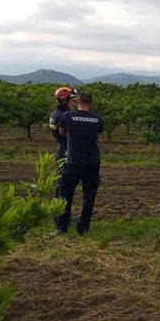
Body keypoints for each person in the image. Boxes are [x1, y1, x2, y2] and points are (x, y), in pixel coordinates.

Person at [53, 91, 102, 236]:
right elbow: (97, 133)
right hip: (93, 161)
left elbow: (62, 132)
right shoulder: (98, 119)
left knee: (65, 193)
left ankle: (61, 228)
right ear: (91, 103)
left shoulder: (67, 116)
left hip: (74, 161)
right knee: (89, 196)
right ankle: (83, 228)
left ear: (77, 102)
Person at [49, 86, 73, 165]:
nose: (72, 103)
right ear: (64, 101)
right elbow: (65, 133)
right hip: (67, 153)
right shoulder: (64, 116)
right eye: (71, 100)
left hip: (61, 151)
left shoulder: (54, 113)